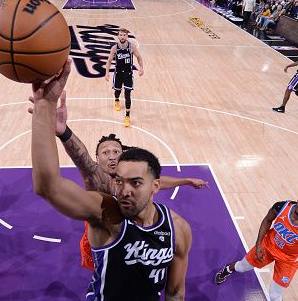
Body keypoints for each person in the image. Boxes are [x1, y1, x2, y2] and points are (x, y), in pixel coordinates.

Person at [32, 60, 190, 301]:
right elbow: (49, 185)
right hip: (105, 286)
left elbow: (175, 292)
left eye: (135, 182)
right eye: (119, 181)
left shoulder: (178, 229)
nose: (125, 189)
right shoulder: (106, 209)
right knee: (106, 277)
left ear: (154, 185)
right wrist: (46, 107)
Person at [39, 92, 207, 271]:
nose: (111, 157)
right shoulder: (99, 180)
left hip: (128, 234)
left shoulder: (129, 179)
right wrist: (64, 133)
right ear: (97, 158)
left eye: (116, 152)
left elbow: (156, 181)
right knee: (108, 277)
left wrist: (185, 180)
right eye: (105, 153)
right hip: (105, 237)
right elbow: (85, 162)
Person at [104, 28, 144, 127]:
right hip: (118, 73)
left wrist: (141, 68)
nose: (122, 37)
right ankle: (116, 100)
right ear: (118, 36)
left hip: (128, 74)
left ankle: (127, 116)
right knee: (117, 91)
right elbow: (109, 60)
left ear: (127, 36)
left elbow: (139, 57)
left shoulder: (132, 47)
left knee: (127, 94)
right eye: (121, 35)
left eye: (124, 35)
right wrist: (107, 73)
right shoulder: (114, 48)